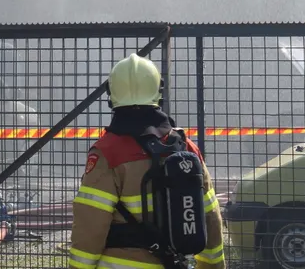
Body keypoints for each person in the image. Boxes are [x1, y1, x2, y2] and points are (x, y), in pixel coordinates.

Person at [69, 53, 225, 269]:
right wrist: (212, 266)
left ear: (112, 94)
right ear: (158, 92)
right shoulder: (186, 147)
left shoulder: (107, 153)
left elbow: (90, 227)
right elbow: (210, 216)